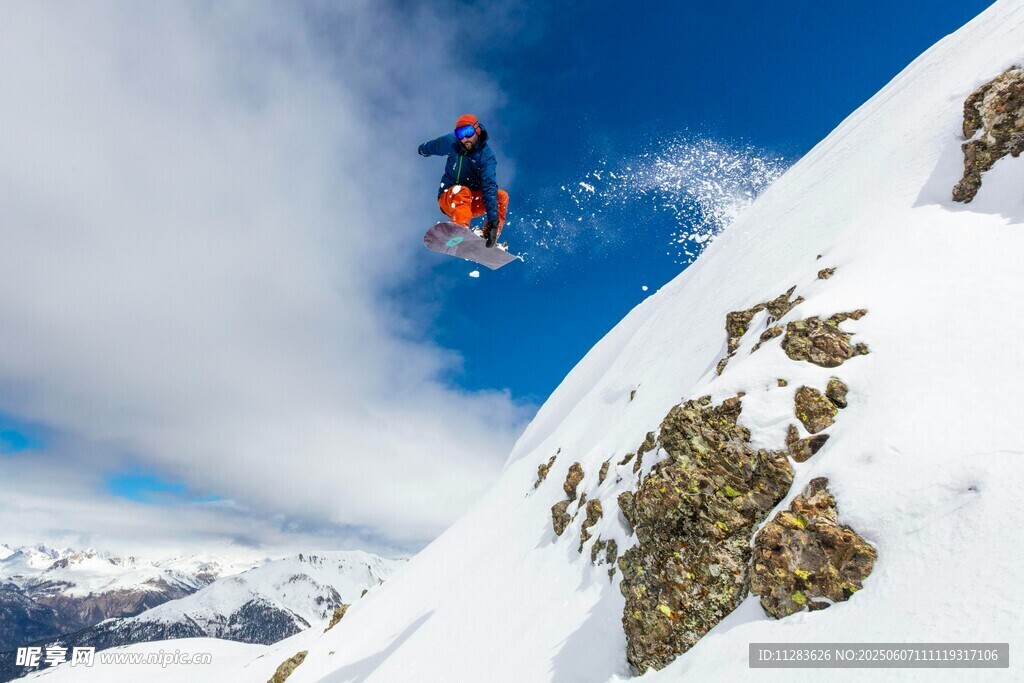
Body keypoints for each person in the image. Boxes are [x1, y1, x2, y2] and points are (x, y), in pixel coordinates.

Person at [418, 114, 509, 248]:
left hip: (470, 203)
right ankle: (459, 230)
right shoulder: (452, 142)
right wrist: (422, 149)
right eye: (460, 134)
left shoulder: (486, 157)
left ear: (477, 130)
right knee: (462, 191)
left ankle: (489, 236)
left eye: (468, 132)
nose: (464, 138)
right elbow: (435, 145)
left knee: (501, 196)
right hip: (449, 197)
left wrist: (493, 221)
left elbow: (489, 186)